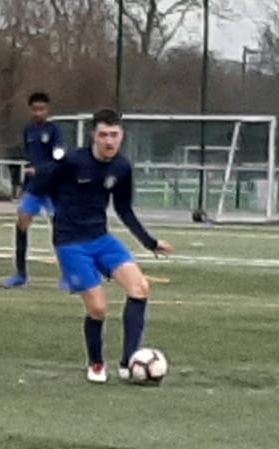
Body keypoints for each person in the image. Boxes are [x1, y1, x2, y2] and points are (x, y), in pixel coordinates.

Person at [29, 107, 174, 383]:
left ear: (122, 136)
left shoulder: (122, 167)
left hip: (101, 239)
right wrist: (53, 212)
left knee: (140, 288)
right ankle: (96, 363)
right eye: (103, 135)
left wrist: (150, 242)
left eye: (114, 135)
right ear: (93, 136)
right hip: (71, 243)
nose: (109, 141)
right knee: (98, 308)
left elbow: (123, 208)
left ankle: (129, 362)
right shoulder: (73, 162)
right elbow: (40, 185)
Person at [2, 91, 66, 288]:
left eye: (42, 109)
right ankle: (21, 274)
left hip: (53, 188)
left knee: (60, 230)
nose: (39, 113)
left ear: (48, 109)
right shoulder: (28, 131)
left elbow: (59, 160)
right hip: (35, 188)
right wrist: (24, 184)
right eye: (35, 109)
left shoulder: (55, 131)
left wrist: (40, 169)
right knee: (21, 224)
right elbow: (30, 160)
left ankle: (69, 275)